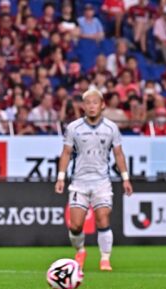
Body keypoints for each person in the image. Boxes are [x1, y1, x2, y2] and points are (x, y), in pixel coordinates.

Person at [55, 88, 133, 271]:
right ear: (83, 106)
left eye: (95, 102)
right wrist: (60, 177)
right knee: (75, 225)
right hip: (79, 183)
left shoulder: (111, 128)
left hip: (101, 182)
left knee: (103, 219)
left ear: (102, 105)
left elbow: (119, 154)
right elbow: (66, 153)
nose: (91, 106)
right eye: (88, 103)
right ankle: (80, 251)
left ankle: (105, 258)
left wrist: (126, 179)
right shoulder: (74, 128)